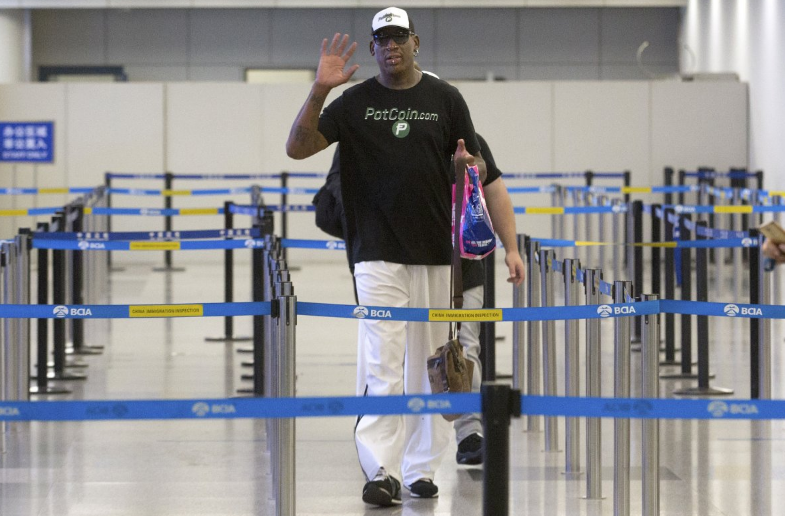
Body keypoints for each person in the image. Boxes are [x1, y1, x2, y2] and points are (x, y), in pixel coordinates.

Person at [286, 7, 524, 507]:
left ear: (415, 42)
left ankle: (421, 469)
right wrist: (319, 90)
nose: (391, 46)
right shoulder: (354, 103)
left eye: (399, 37)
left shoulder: (446, 99)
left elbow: (479, 165)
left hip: (439, 255)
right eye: (381, 39)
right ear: (372, 49)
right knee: (383, 359)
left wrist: (467, 166)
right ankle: (381, 469)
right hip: (376, 254)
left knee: (433, 362)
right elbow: (298, 148)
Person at [313, 132, 519, 467]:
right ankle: (396, 448)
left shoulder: (469, 140)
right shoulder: (368, 137)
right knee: (398, 356)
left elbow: (494, 188)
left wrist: (511, 248)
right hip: (397, 266)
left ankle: (467, 429)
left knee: (464, 348)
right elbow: (337, 187)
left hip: (463, 268)